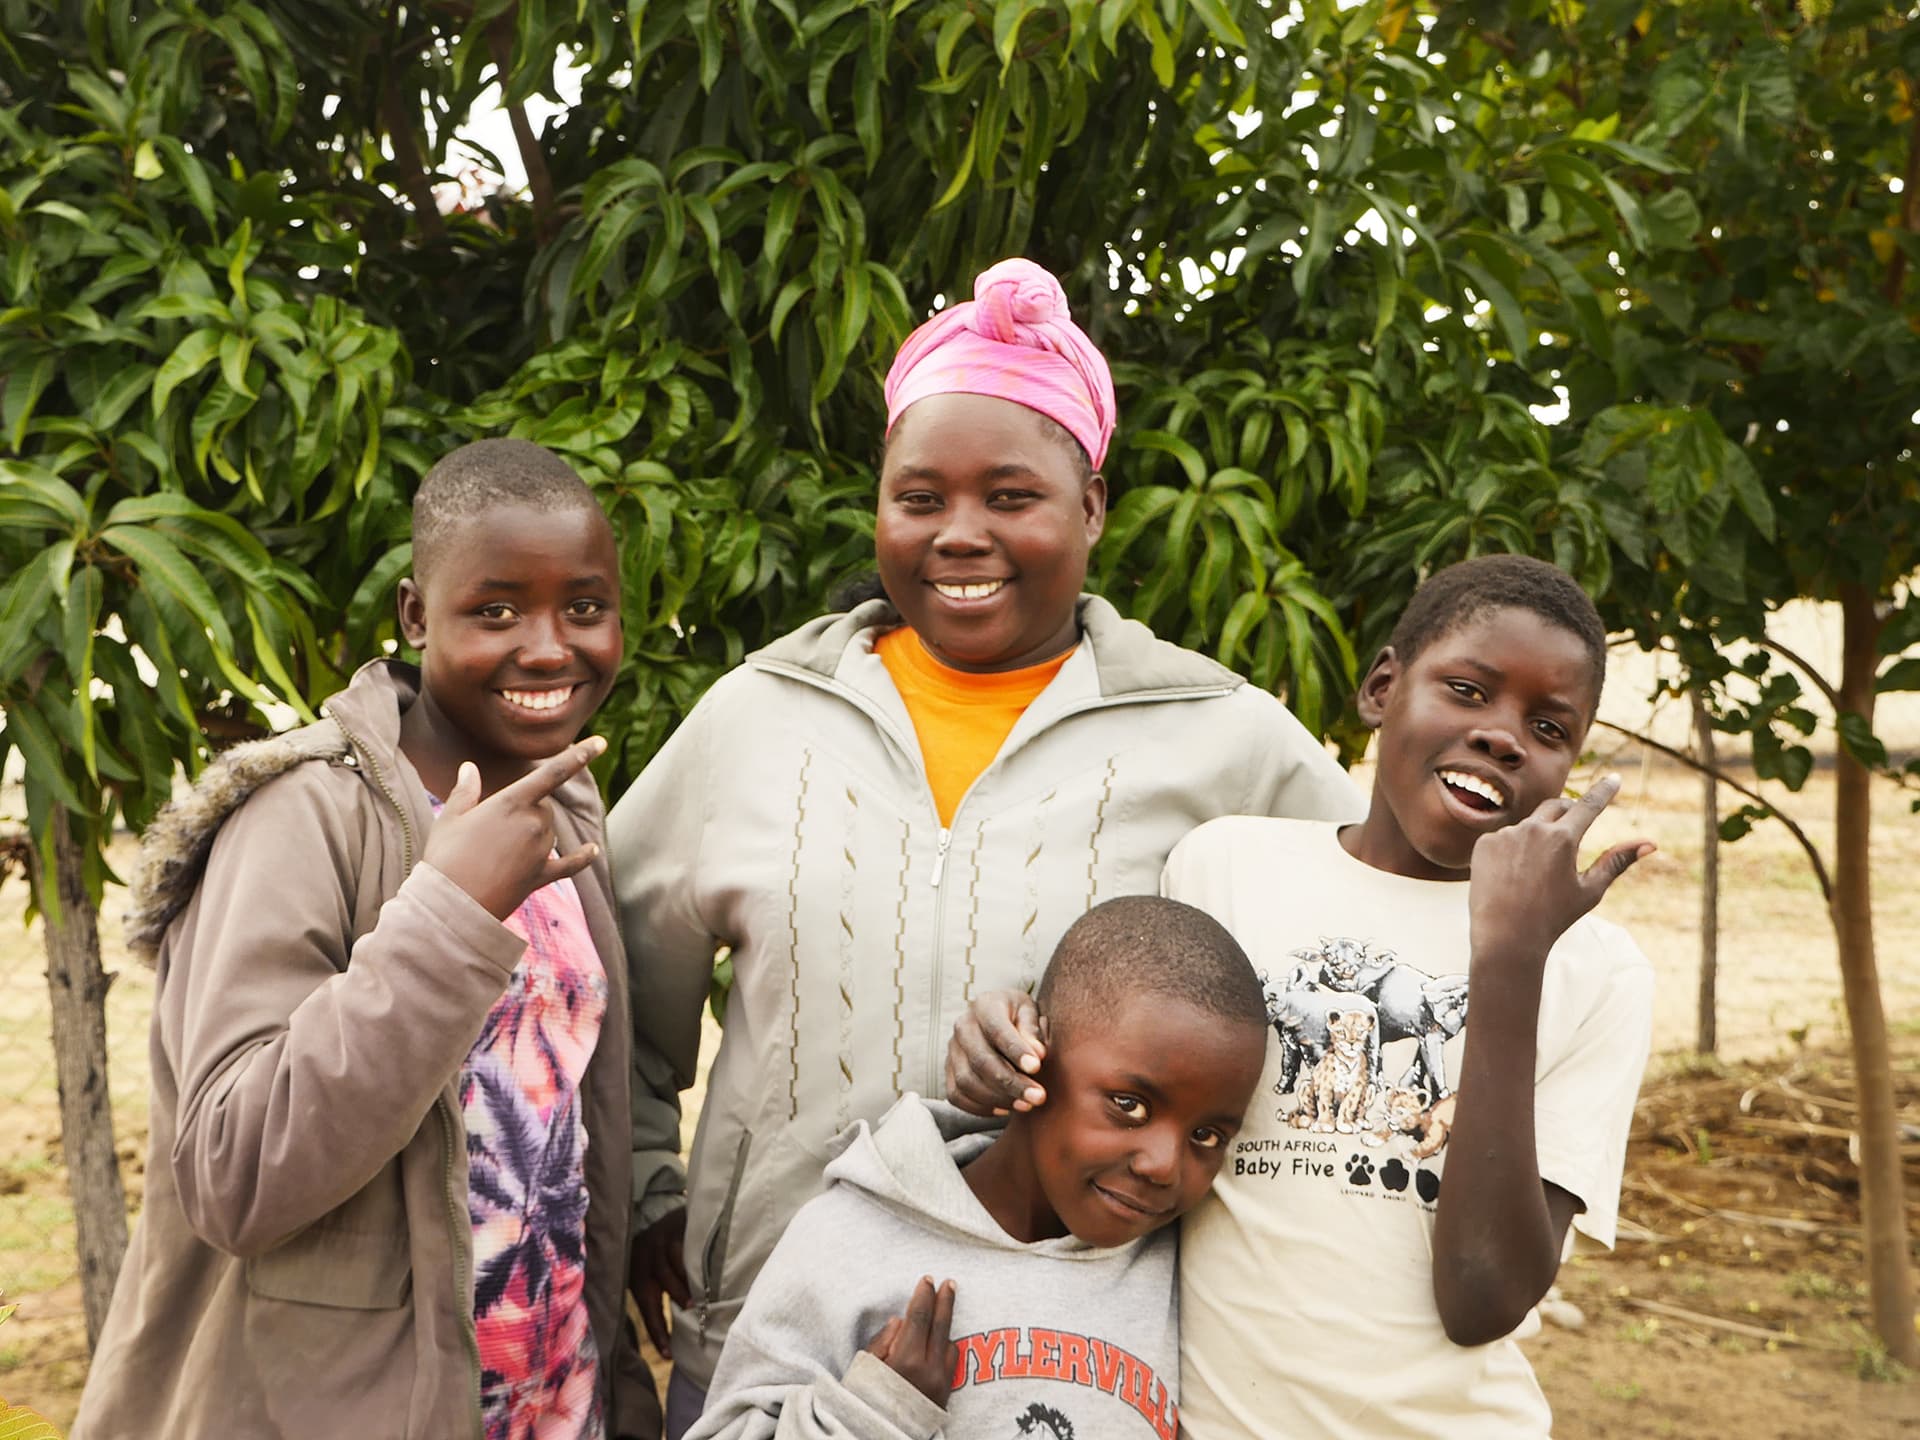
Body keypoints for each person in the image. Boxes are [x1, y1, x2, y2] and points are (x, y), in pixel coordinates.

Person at [610, 256, 1364, 1436]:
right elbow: (614, 978)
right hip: (775, 1343)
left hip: (1086, 1362)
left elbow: (1371, 963)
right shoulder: (757, 717)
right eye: (921, 498)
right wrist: (652, 1184)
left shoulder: (1220, 738)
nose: (961, 534)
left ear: (1094, 508)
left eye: (1012, 496)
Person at [947, 554, 1658, 1438]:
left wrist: (1511, 960)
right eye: (1468, 691)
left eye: (1549, 729)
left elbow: (1483, 1299)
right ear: (1382, 687)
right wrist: (1009, 1039)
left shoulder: (1598, 970)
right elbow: (1109, 1091)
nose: (1504, 736)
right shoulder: (1226, 867)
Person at [74, 439, 657, 1439]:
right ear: (414, 615)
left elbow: (566, 1139)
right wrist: (447, 917)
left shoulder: (565, 808)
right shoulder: (303, 819)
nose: (551, 646)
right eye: (497, 610)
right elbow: (232, 1173)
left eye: (585, 607)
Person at [686, 896, 1270, 1440]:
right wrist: (872, 1413)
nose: (1165, 1165)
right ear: (1031, 1057)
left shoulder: (1186, 1267)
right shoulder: (847, 1239)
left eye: (1206, 1135)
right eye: (1129, 1105)